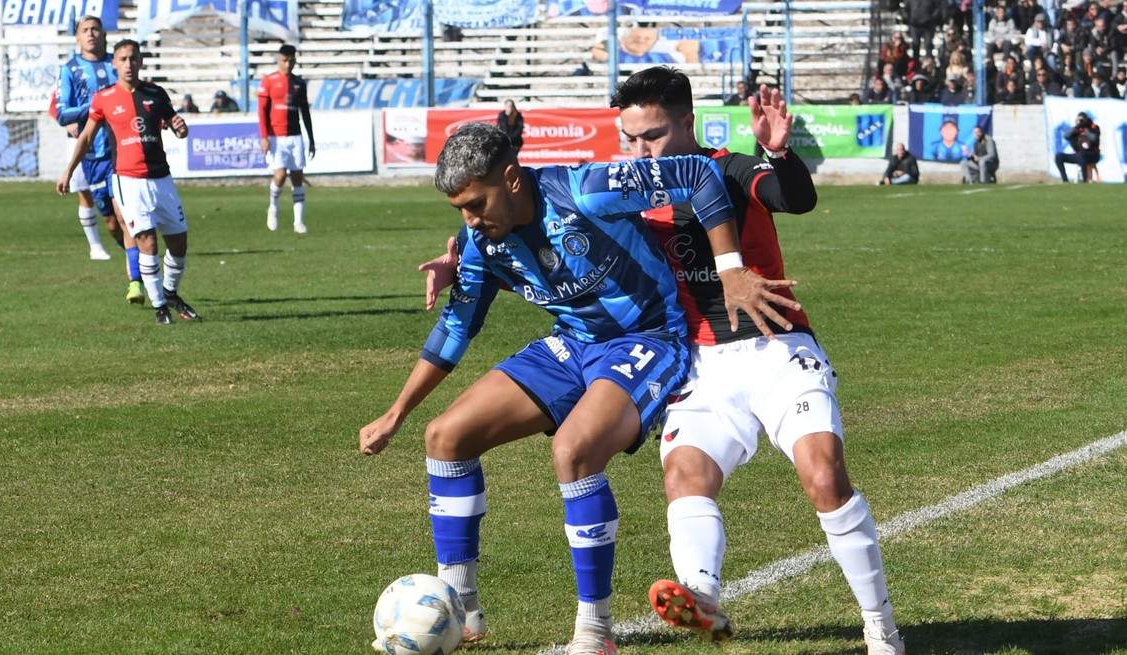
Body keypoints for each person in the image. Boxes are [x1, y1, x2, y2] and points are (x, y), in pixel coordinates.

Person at [418, 69, 906, 655]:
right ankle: (702, 596)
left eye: (653, 136)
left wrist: (778, 155)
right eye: (631, 138)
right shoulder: (631, 189)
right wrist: (470, 262)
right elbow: (547, 242)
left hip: (776, 347)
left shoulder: (727, 168)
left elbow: (793, 199)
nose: (641, 151)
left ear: (687, 123)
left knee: (824, 476)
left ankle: (880, 626)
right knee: (684, 477)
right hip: (700, 364)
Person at [360, 120, 742, 655]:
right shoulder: (481, 242)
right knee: (445, 438)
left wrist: (731, 270)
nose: (471, 220)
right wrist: (396, 412)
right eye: (460, 211)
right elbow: (456, 327)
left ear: (512, 180)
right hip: (573, 344)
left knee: (573, 451)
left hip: (648, 338)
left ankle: (595, 630)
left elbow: (698, 174)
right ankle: (462, 611)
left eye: (477, 204)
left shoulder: (585, 189)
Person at [57, 39, 200, 326]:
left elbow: (175, 124)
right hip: (129, 181)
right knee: (147, 240)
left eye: (133, 58)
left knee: (179, 243)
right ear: (114, 64)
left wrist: (181, 129)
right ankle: (159, 306)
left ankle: (170, 293)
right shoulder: (104, 98)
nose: (128, 64)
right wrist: (68, 171)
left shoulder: (156, 93)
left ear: (141, 61)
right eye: (123, 59)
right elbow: (86, 137)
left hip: (161, 178)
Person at [55, 15, 147, 306]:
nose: (91, 33)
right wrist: (96, 104)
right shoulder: (69, 69)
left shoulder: (117, 63)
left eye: (96, 29)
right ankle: (135, 257)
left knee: (124, 215)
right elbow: (62, 114)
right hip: (92, 155)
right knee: (110, 222)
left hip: (121, 152)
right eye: (85, 30)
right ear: (77, 37)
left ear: (104, 34)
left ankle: (137, 280)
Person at [257, 44, 315, 234]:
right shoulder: (269, 81)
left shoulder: (299, 83)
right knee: (280, 175)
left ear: (295, 60)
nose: (288, 64)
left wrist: (311, 139)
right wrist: (264, 136)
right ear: (278, 60)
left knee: (297, 177)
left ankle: (298, 221)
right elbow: (262, 111)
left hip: (295, 136)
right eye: (284, 60)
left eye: (291, 60)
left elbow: (305, 113)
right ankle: (273, 208)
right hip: (276, 137)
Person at [1055, 111, 1100, 183]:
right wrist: (1077, 127)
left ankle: (1085, 180)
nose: (1080, 121)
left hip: (1092, 155)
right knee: (1059, 157)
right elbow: (1066, 136)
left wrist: (1085, 127)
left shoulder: (1093, 127)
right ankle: (1065, 180)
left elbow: (1094, 139)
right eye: (1078, 120)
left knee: (1082, 156)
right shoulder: (1076, 129)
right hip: (1079, 155)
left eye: (1082, 120)